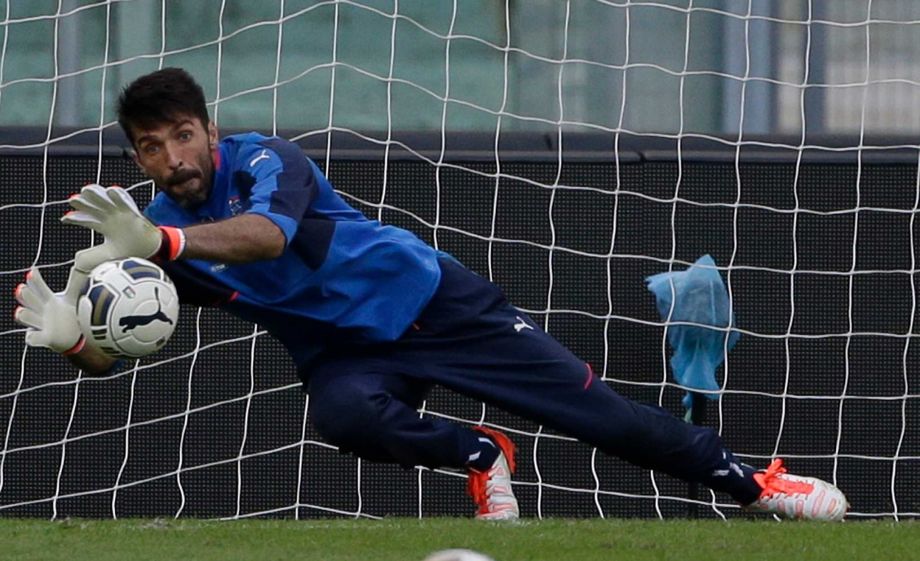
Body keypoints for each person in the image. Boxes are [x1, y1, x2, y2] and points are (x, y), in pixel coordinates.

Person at [13, 67, 848, 521]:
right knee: (343, 417)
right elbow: (127, 345)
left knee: (602, 418)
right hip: (341, 353)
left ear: (210, 131)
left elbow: (266, 237)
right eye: (152, 147)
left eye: (183, 136)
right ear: (138, 156)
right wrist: (75, 340)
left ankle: (755, 482)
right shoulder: (149, 233)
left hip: (435, 305)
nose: (173, 157)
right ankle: (481, 454)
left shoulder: (269, 162)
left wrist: (159, 242)